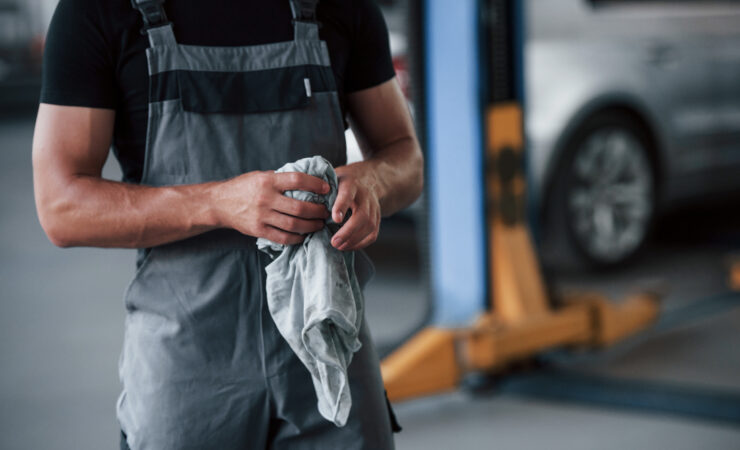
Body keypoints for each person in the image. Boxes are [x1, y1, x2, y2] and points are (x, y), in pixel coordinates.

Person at [32, 0, 423, 448]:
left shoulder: (339, 7)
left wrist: (371, 181)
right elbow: (61, 206)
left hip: (328, 346)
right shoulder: (100, 13)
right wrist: (217, 203)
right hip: (190, 366)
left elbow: (405, 158)